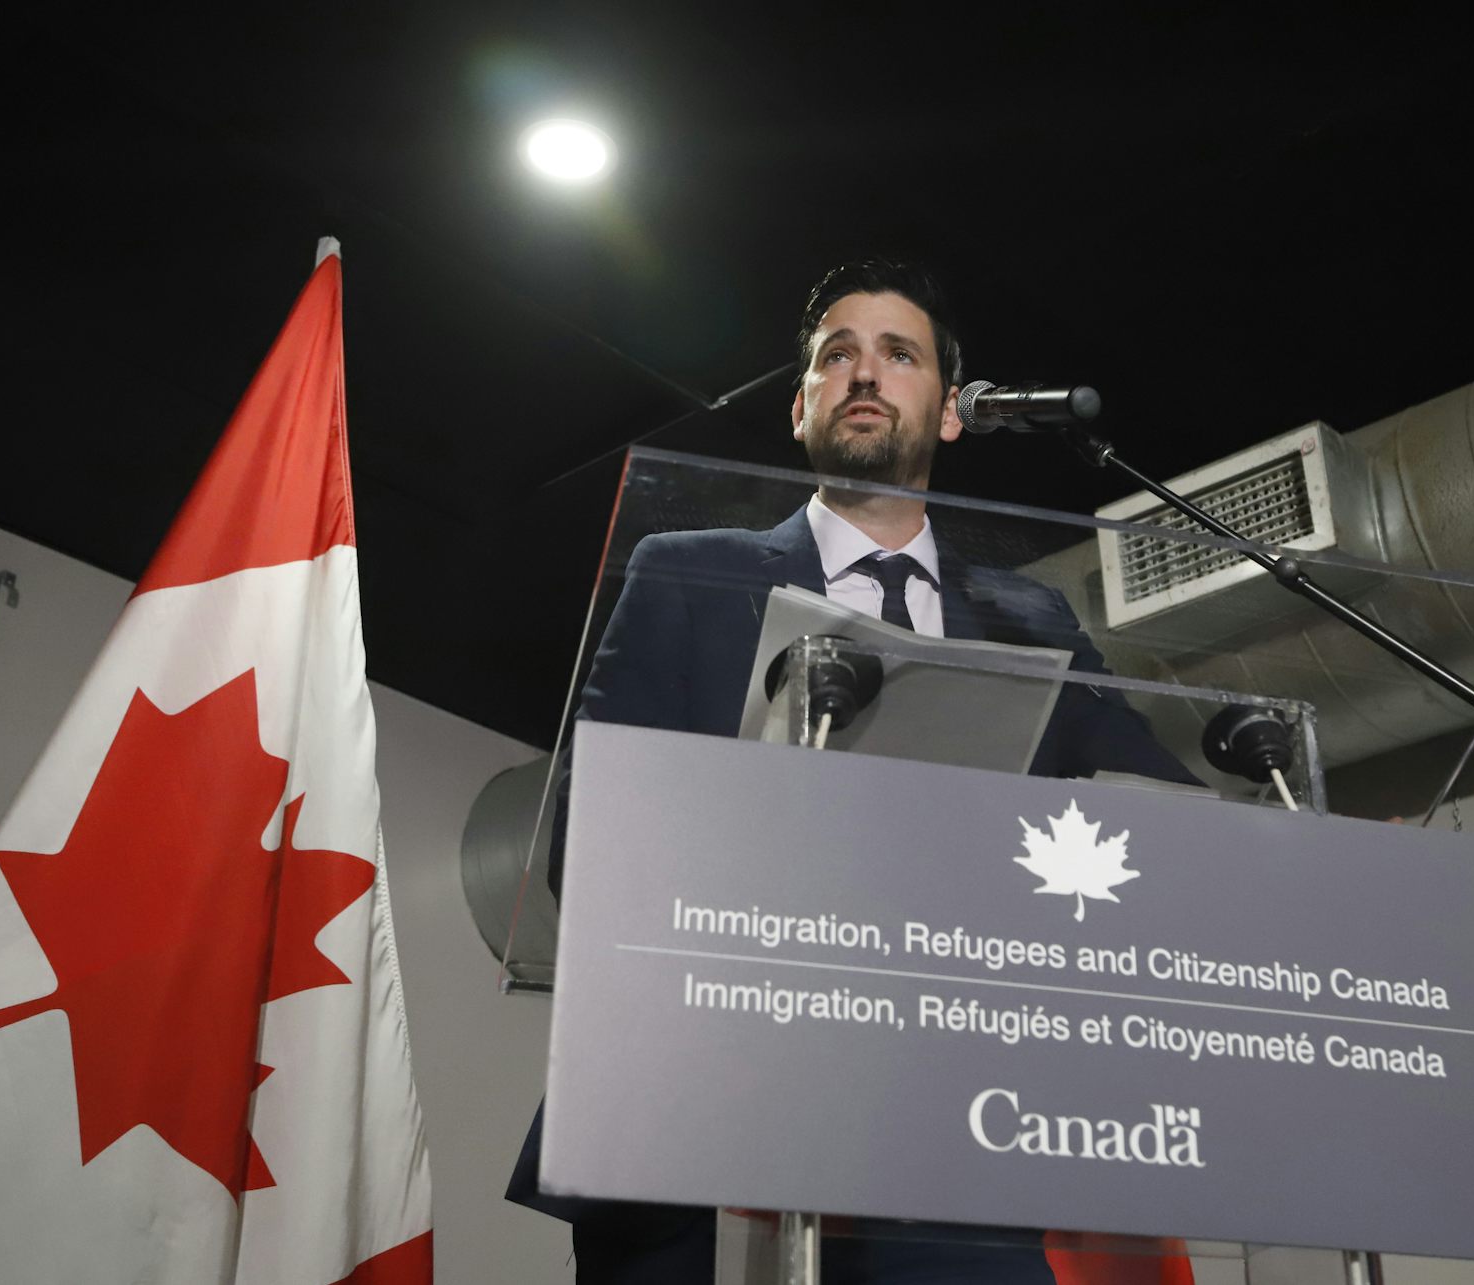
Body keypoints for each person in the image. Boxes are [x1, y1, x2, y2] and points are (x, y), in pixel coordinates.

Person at [509, 260, 1197, 1284]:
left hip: (960, 1141)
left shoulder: (1031, 620)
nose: (864, 375)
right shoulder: (690, 570)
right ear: (800, 408)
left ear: (952, 413)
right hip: (702, 1133)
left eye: (899, 355)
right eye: (838, 357)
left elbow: (1154, 819)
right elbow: (591, 838)